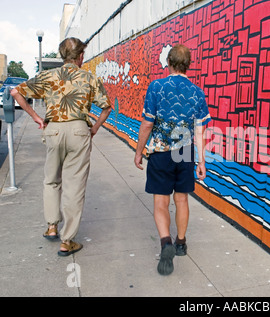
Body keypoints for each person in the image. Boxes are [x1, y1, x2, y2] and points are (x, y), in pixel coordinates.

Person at [11, 37, 112, 256]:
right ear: (81, 56)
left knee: (51, 179)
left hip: (54, 130)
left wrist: (37, 118)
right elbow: (106, 107)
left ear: (62, 55)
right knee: (74, 186)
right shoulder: (89, 77)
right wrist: (94, 128)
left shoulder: (48, 76)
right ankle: (67, 240)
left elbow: (16, 93)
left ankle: (51, 226)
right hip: (78, 131)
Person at [134, 44, 211, 275]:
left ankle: (165, 242)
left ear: (168, 62)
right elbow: (200, 130)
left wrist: (139, 151)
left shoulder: (156, 87)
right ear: (188, 64)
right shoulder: (197, 92)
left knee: (161, 203)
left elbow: (148, 122)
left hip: (160, 152)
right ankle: (180, 243)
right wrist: (201, 161)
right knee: (182, 200)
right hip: (184, 151)